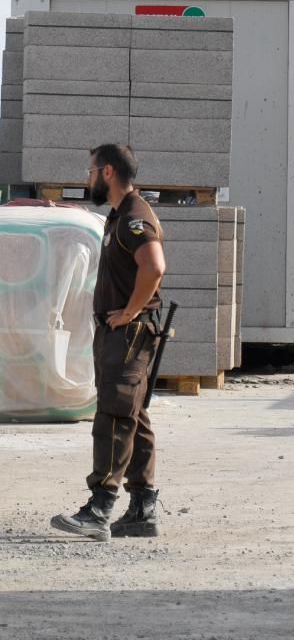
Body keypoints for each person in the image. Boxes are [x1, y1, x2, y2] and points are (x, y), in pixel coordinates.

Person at [51, 144, 167, 541]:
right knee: (134, 417)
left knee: (115, 417)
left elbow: (154, 266)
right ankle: (142, 509)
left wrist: (130, 312)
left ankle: (99, 508)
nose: (87, 178)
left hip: (129, 334)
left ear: (108, 172)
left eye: (90, 171)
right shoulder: (119, 216)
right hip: (120, 333)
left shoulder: (134, 217)